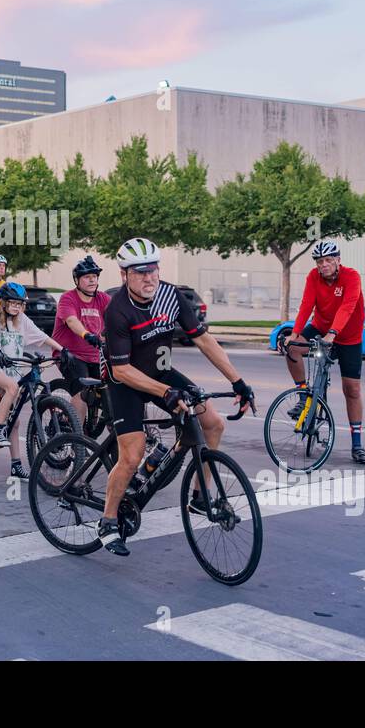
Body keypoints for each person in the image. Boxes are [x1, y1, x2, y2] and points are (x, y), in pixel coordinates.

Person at [97, 238, 254, 556]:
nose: (149, 277)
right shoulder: (118, 310)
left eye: (153, 269)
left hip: (161, 369)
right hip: (124, 379)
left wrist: (238, 381)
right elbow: (124, 371)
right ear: (123, 274)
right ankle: (108, 520)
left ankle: (199, 497)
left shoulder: (171, 296)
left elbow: (205, 341)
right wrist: (166, 393)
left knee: (211, 423)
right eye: (140, 272)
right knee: (131, 454)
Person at [285, 240, 365, 465]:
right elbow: (306, 304)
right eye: (320, 261)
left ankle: (357, 445)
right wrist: (294, 333)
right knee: (293, 349)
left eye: (328, 260)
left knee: (351, 389)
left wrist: (333, 333)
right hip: (321, 328)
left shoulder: (351, 276)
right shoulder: (313, 277)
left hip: (349, 337)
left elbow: (348, 306)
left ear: (338, 260)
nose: (324, 265)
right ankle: (304, 397)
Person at [0, 281, 65, 480]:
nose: (17, 306)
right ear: (4, 302)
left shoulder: (22, 319)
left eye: (20, 303)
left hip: (12, 369)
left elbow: (41, 336)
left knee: (16, 421)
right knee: (11, 387)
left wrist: (62, 350)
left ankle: (16, 465)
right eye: (13, 303)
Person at [52, 255, 109, 426]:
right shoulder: (68, 298)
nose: (92, 280)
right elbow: (71, 320)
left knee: (112, 389)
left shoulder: (103, 298)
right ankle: (76, 437)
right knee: (82, 392)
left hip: (96, 356)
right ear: (77, 280)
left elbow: (117, 318)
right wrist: (86, 335)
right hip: (70, 355)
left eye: (94, 276)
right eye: (87, 277)